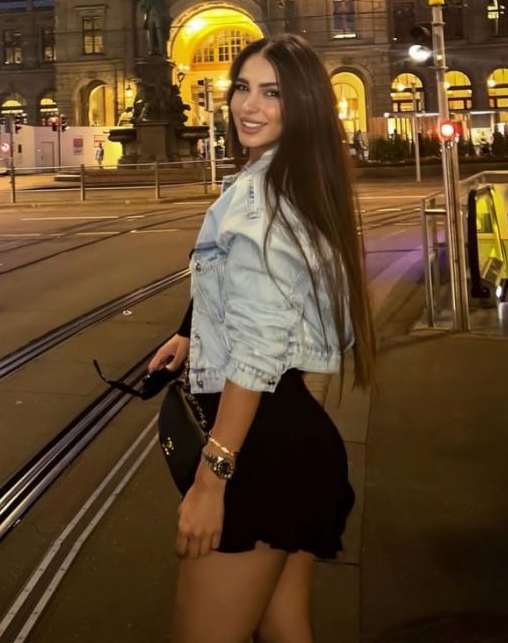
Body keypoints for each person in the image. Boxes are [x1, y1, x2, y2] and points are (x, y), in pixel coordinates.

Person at [148, 34, 376, 642]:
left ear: (303, 104)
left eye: (272, 93)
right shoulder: (303, 183)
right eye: (242, 87)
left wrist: (211, 478)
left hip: (258, 452)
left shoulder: (258, 198)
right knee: (284, 630)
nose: (248, 106)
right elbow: (270, 301)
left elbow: (255, 352)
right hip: (294, 437)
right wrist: (191, 332)